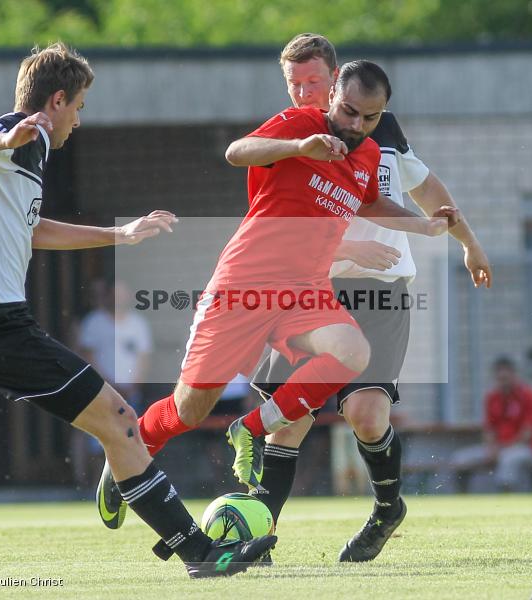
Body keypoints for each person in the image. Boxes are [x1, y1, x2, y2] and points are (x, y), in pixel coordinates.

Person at [0, 42, 274, 578]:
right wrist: (5, 137)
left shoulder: (19, 148)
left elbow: (33, 229)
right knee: (119, 420)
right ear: (58, 100)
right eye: (81, 106)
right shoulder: (27, 133)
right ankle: (200, 553)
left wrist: (119, 233)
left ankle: (196, 549)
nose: (79, 121)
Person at [96, 61, 459, 538]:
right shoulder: (302, 123)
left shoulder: (368, 153)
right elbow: (236, 151)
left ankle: (250, 427)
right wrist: (299, 147)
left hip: (304, 290)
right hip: (244, 286)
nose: (355, 125)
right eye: (348, 111)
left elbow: (371, 201)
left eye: (369, 118)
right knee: (189, 410)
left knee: (352, 352)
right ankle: (129, 446)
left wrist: (425, 224)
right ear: (332, 98)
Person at [249, 32, 492, 561]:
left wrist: (469, 245)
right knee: (290, 417)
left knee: (365, 413)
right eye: (294, 83)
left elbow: (431, 195)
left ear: (336, 81)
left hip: (381, 294)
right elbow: (275, 221)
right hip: (313, 290)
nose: (302, 91)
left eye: (312, 80)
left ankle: (387, 510)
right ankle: (256, 533)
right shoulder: (291, 137)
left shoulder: (379, 131)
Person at [72, 280, 153, 486]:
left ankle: (126, 485)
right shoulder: (94, 322)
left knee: (132, 440)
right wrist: (109, 384)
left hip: (130, 393)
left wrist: (133, 384)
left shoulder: (138, 323)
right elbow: (89, 357)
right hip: (102, 392)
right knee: (99, 440)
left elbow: (144, 358)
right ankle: (94, 485)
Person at [449, 357, 532, 493]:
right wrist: (492, 448)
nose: (503, 383)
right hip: (498, 448)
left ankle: (507, 502)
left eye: (506, 378)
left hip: (525, 448)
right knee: (459, 459)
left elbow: (528, 433)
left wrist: (502, 448)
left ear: (514, 376)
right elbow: (489, 429)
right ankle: (461, 499)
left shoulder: (529, 396)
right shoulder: (492, 398)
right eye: (500, 379)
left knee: (507, 461)